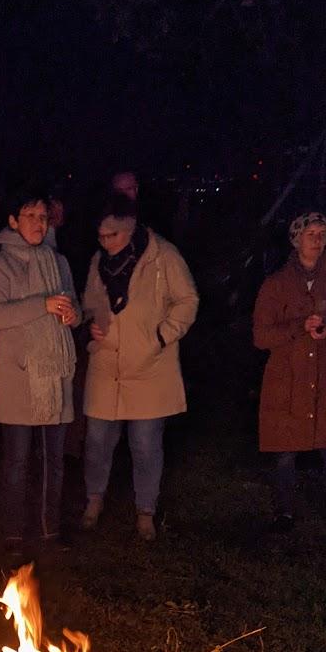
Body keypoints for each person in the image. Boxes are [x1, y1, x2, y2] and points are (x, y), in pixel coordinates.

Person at [80, 193, 198, 540]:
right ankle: (93, 499)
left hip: (150, 366)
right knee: (97, 440)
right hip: (107, 363)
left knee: (145, 444)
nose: (106, 243)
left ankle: (145, 511)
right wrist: (92, 325)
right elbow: (89, 303)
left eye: (113, 235)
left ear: (131, 226)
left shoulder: (163, 257)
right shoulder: (98, 261)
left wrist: (161, 336)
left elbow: (188, 300)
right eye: (101, 237)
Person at [0, 188, 81, 548]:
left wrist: (73, 315)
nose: (38, 224)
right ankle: (13, 533)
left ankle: (49, 529)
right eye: (30, 216)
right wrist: (43, 304)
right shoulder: (1, 264)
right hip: (18, 376)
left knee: (54, 460)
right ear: (13, 221)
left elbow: (73, 307)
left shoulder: (59, 262)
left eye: (42, 217)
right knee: (18, 461)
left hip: (55, 374)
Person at [252, 212, 326, 533]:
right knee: (285, 451)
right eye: (310, 233)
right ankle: (283, 512)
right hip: (289, 379)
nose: (317, 239)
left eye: (322, 233)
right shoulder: (276, 283)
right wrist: (299, 327)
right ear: (296, 238)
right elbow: (261, 336)